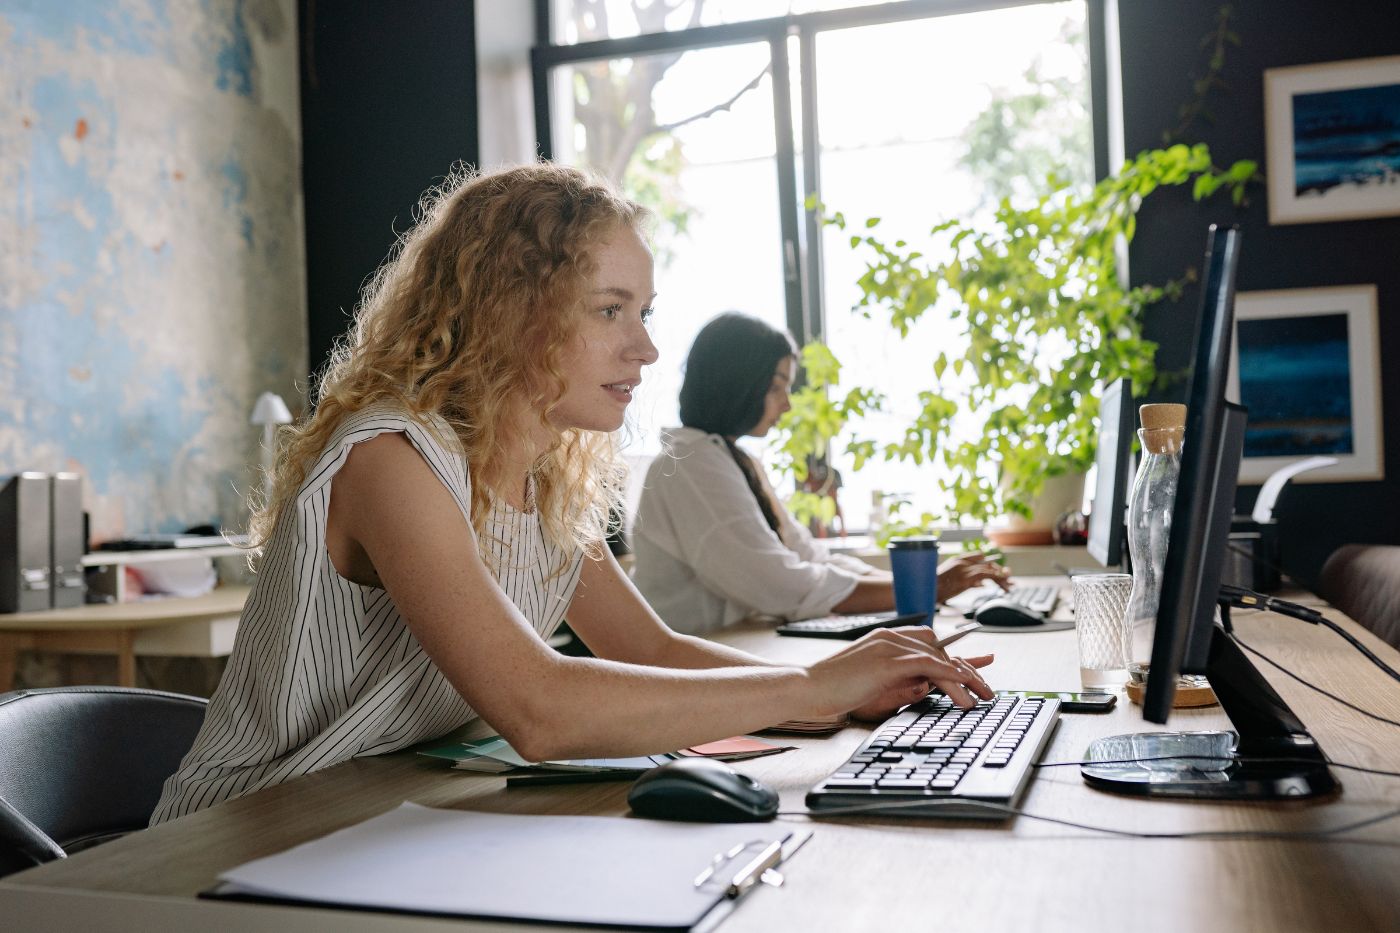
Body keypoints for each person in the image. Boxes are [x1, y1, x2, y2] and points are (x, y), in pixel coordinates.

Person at [151, 164, 994, 824]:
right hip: (240, 832)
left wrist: (834, 686)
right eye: (610, 310)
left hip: (377, 812)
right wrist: (810, 690)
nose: (647, 349)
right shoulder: (392, 460)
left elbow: (654, 652)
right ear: (509, 311)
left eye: (646, 310)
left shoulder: (548, 476)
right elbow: (539, 708)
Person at [631, 312, 1011, 636]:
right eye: (777, 386)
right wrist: (927, 588)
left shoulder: (730, 459)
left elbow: (807, 554)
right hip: (703, 665)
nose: (787, 403)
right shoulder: (689, 466)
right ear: (739, 382)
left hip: (739, 645)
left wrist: (923, 588)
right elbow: (779, 585)